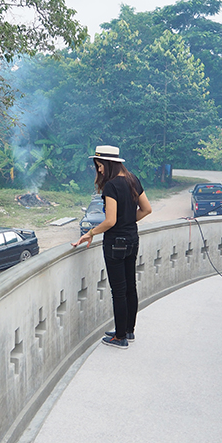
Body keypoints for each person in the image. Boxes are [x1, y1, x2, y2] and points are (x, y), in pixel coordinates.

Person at [72, 145, 152, 349]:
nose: (99, 171)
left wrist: (89, 233)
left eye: (100, 166)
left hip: (115, 244)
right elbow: (147, 209)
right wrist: (128, 220)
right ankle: (128, 330)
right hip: (132, 240)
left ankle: (120, 337)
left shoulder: (112, 186)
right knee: (130, 286)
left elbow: (110, 221)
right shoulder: (132, 179)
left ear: (108, 164)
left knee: (119, 291)